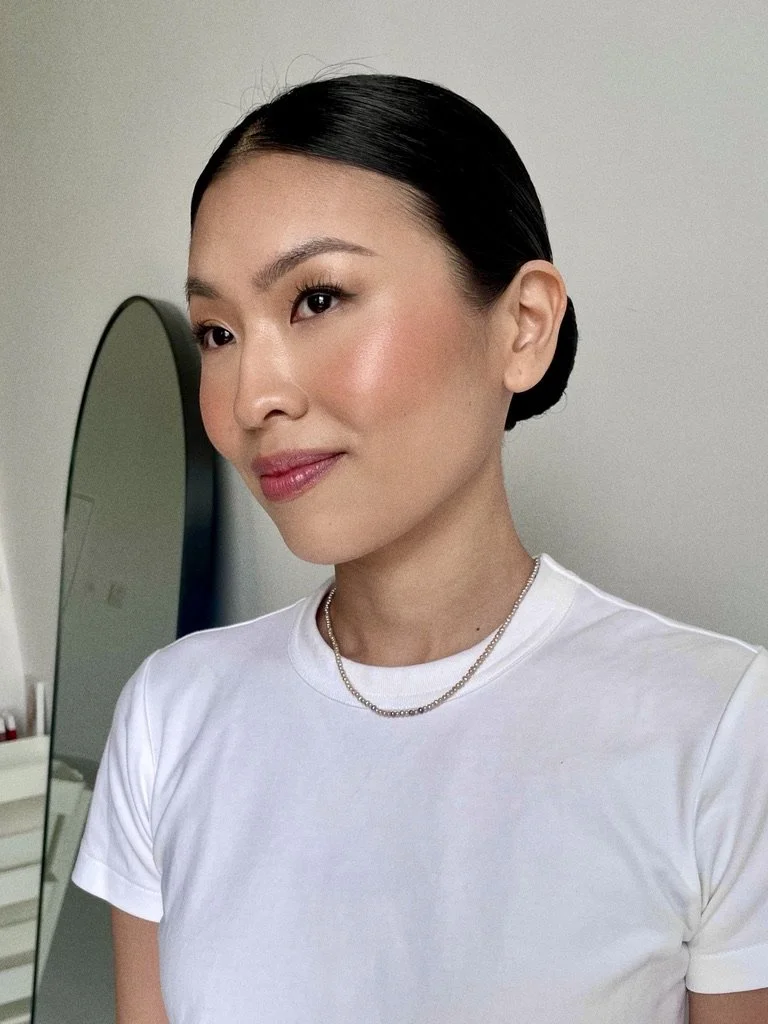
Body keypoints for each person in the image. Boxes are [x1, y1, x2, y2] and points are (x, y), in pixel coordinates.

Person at [71, 73, 768, 1023]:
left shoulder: (717, 728)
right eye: (218, 332)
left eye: (318, 298)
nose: (249, 399)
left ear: (522, 326)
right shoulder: (172, 716)